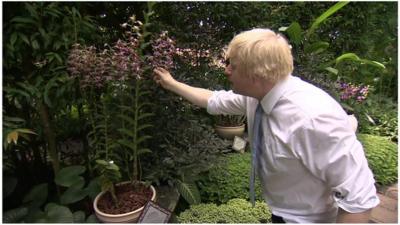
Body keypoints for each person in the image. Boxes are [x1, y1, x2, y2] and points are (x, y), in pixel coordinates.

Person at [153, 28, 379, 223]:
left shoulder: (311, 118)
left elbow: (360, 198)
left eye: (232, 65)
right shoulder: (257, 96)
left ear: (256, 74)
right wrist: (171, 84)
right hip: (280, 213)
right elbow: (212, 99)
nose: (226, 70)